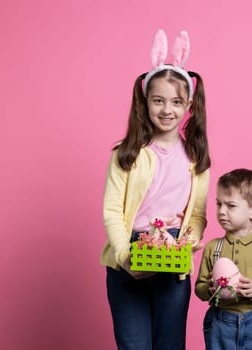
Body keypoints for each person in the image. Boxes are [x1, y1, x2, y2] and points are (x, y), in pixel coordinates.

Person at [101, 29, 210, 350]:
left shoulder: (196, 157)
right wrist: (124, 257)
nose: (167, 110)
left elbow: (198, 215)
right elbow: (112, 211)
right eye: (158, 100)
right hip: (129, 255)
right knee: (134, 345)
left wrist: (185, 245)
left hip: (173, 262)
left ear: (188, 103)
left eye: (176, 102)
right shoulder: (126, 153)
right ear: (145, 101)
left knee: (170, 345)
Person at [195, 169, 252, 350]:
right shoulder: (213, 248)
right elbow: (199, 288)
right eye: (218, 204)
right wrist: (209, 289)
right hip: (220, 324)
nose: (221, 211)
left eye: (230, 206)